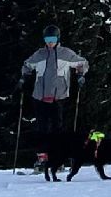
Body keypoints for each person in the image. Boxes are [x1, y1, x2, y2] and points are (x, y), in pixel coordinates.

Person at [20, 24, 89, 171]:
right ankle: (42, 159)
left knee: (57, 130)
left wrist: (81, 74)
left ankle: (58, 159)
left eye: (52, 38)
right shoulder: (39, 54)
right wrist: (23, 78)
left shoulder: (65, 54)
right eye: (47, 39)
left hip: (59, 97)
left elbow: (82, 63)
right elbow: (27, 65)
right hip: (40, 97)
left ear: (58, 38)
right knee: (42, 129)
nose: (50, 42)